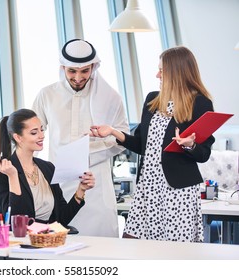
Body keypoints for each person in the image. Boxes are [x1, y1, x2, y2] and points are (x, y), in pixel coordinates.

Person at [90, 46, 215, 242]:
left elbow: (204, 154)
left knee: (175, 252)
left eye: (162, 70)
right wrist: (113, 132)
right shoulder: (152, 100)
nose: (157, 75)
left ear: (177, 72)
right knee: (136, 244)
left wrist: (189, 145)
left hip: (178, 191)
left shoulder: (200, 104)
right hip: (148, 188)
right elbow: (141, 145)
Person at [32, 39, 129, 237]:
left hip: (96, 185)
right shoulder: (47, 95)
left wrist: (87, 152)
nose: (78, 77)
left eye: (84, 71)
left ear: (93, 67)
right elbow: (32, 135)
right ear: (63, 68)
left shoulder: (111, 97)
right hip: (58, 184)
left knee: (101, 249)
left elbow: (122, 139)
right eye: (72, 71)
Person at [0, 108, 95, 229]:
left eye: (42, 130)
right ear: (18, 138)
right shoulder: (2, 170)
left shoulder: (47, 168)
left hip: (47, 239)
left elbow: (61, 219)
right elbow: (17, 225)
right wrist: (13, 177)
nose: (42, 136)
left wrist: (81, 190)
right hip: (21, 241)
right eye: (34, 133)